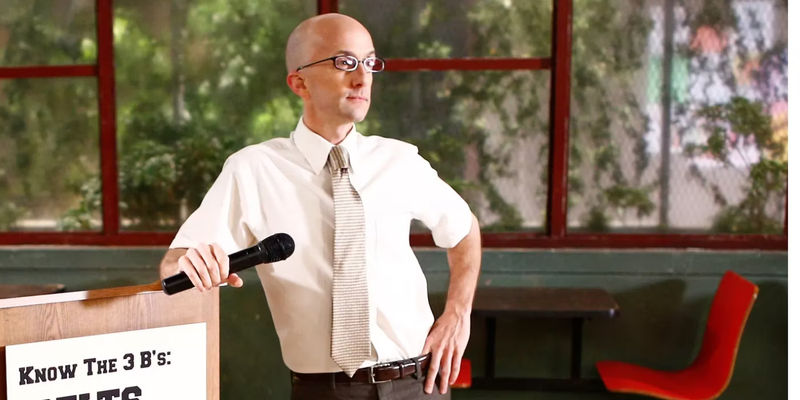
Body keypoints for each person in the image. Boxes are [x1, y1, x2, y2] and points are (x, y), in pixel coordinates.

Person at [159, 12, 481, 400]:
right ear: (299, 82)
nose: (362, 78)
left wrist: (458, 313)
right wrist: (190, 265)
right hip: (323, 392)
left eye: (369, 62)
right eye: (344, 62)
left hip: (418, 384)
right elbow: (175, 262)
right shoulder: (253, 170)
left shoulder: (400, 162)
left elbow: (464, 230)